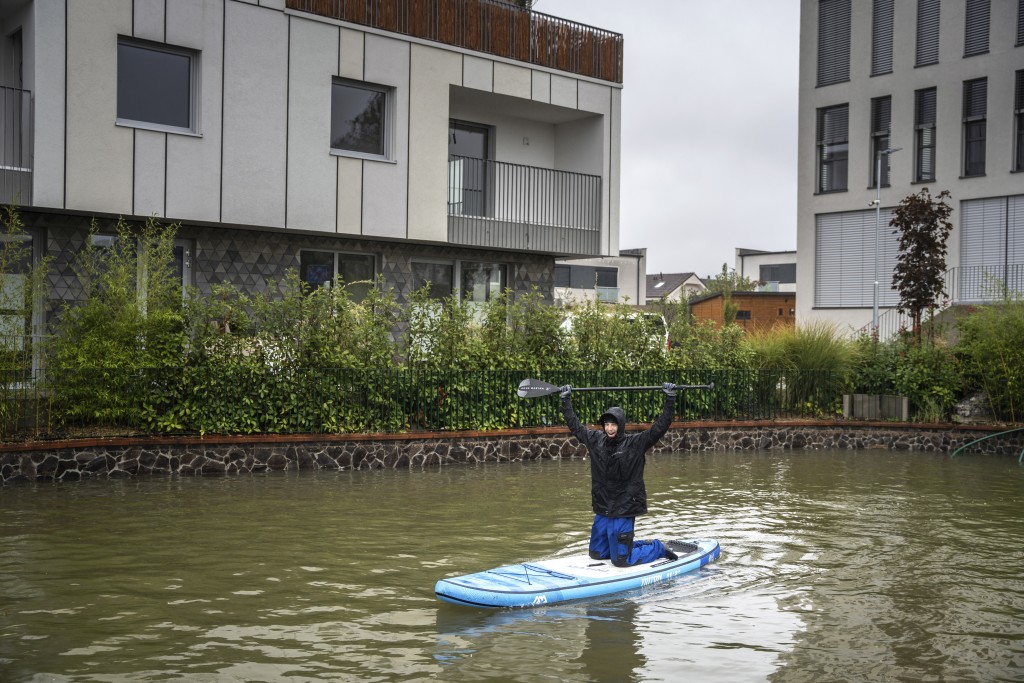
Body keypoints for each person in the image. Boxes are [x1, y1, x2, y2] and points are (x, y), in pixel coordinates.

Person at [559, 382, 678, 566]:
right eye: (606, 424)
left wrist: (669, 400)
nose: (609, 428)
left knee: (621, 561)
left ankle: (656, 547)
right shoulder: (595, 440)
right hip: (604, 505)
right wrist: (565, 401)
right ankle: (628, 545)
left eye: (613, 424)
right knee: (597, 554)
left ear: (620, 425)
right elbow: (575, 426)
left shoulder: (635, 443)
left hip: (624, 507)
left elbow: (659, 429)